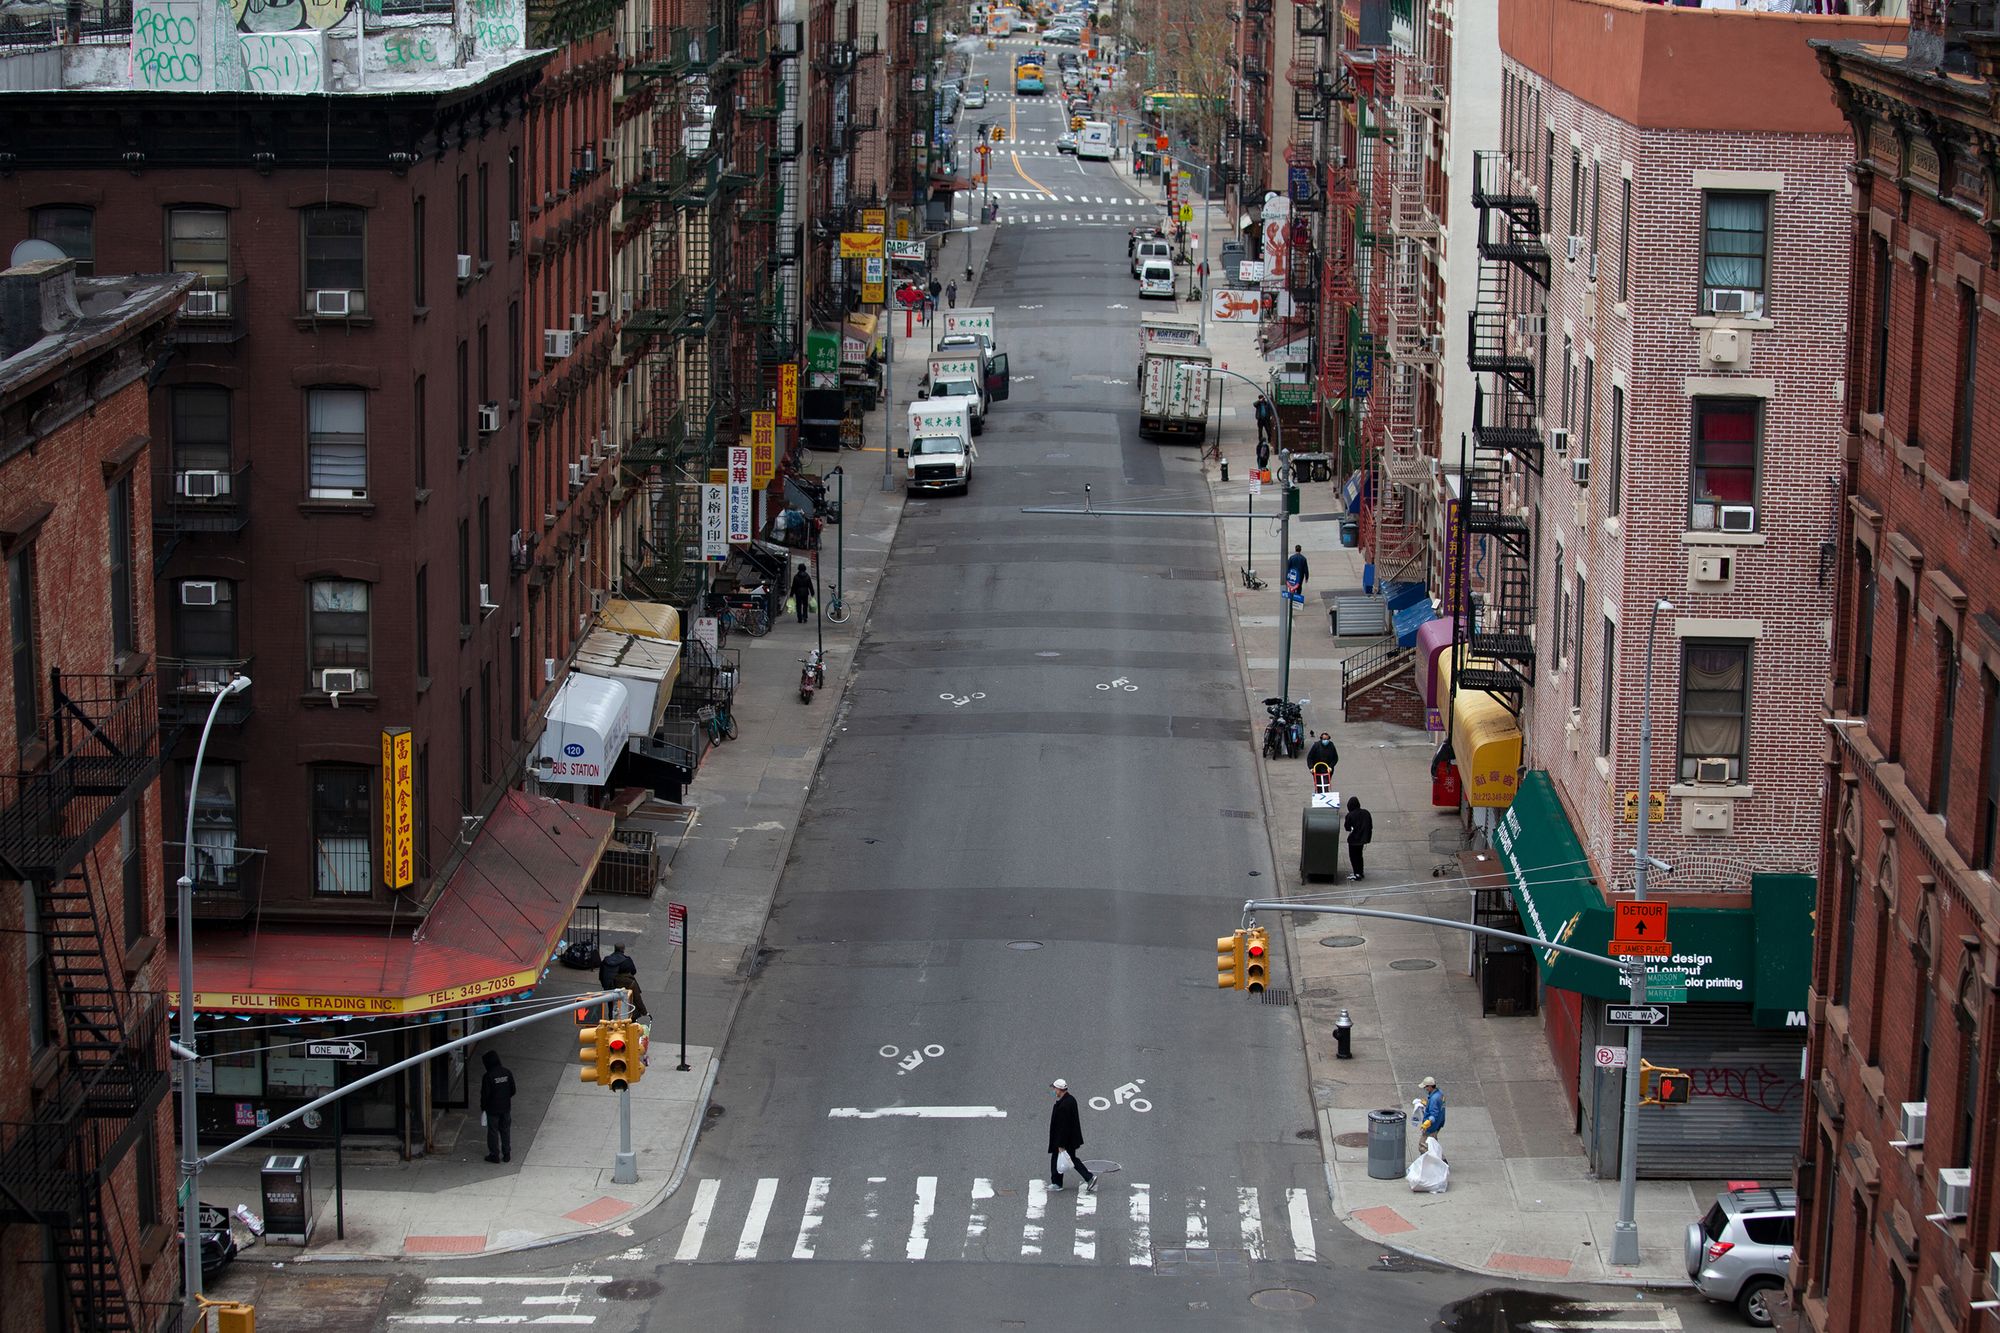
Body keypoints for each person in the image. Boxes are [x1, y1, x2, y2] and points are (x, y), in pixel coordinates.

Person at [1047, 1079, 1098, 1192]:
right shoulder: (1071, 1100)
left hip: (1065, 1140)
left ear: (1060, 1089)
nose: (1054, 1091)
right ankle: (1087, 1178)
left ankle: (1059, 1183)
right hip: (1071, 1139)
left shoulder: (1064, 1105)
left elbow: (1063, 1127)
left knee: (1061, 1159)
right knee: (1070, 1159)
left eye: (1054, 1089)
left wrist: (1060, 1144)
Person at [480, 1050, 517, 1163]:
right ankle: (507, 1154)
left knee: (493, 1132)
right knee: (505, 1130)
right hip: (505, 1107)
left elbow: (485, 1095)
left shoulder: (488, 1076)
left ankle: (494, 1154)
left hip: (492, 1109)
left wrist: (483, 1107)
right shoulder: (507, 1072)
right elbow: (513, 1090)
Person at [1344, 795, 1373, 881]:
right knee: (1359, 855)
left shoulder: (1350, 815)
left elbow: (1347, 827)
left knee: (1353, 856)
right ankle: (1360, 872)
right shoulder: (1366, 813)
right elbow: (1370, 825)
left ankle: (1356, 873)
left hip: (1354, 840)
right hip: (1363, 839)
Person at [1417, 1075, 1446, 1153]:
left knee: (1423, 1146)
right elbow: (1439, 1107)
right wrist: (1428, 1104)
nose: (1425, 1089)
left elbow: (1434, 1115)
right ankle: (1440, 1161)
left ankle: (1432, 1162)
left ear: (1430, 1087)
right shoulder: (1440, 1093)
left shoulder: (1434, 1098)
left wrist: (1427, 1123)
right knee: (1433, 1144)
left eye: (1425, 1087)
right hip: (1439, 1123)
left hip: (1431, 1127)